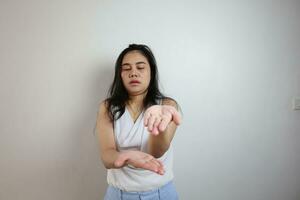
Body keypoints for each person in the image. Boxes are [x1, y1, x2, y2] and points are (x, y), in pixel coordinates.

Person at [96, 44, 182, 200]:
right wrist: (127, 157)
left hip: (161, 194)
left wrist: (158, 125)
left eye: (140, 67)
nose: (133, 72)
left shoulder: (166, 106)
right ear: (119, 75)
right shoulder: (108, 107)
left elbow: (157, 152)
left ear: (151, 72)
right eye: (126, 68)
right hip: (118, 195)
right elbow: (107, 156)